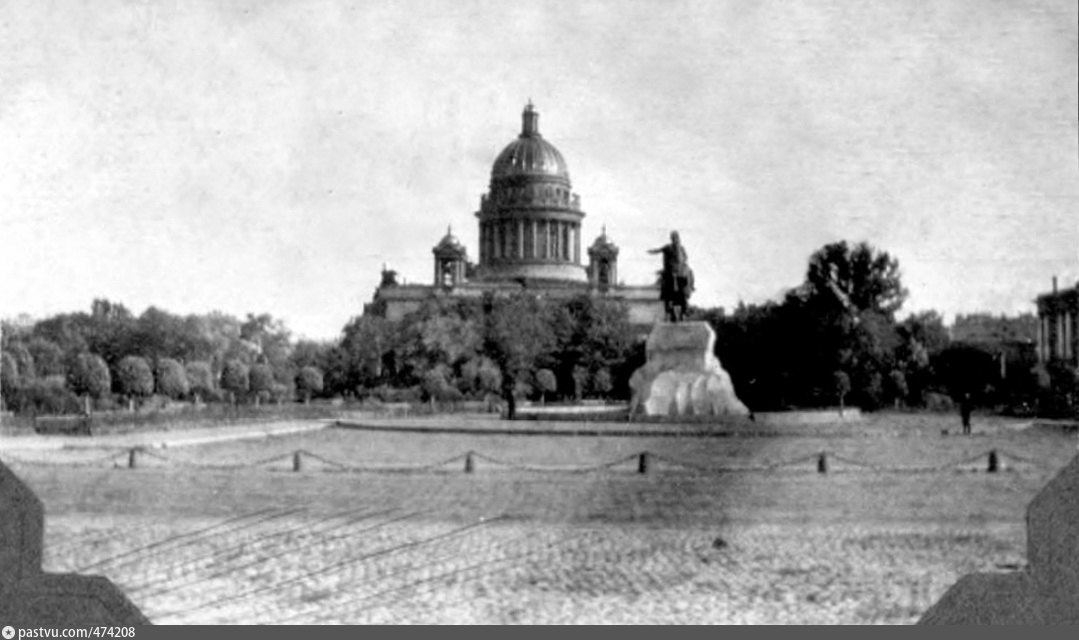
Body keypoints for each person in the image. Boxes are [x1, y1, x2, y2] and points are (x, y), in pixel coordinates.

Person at [648, 231, 694, 322]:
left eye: (676, 237)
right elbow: (658, 250)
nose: (675, 239)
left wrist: (683, 263)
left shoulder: (681, 248)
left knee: (689, 274)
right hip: (670, 270)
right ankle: (667, 298)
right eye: (673, 238)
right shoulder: (668, 247)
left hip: (680, 271)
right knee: (665, 281)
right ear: (671, 239)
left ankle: (689, 290)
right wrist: (652, 251)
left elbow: (685, 258)